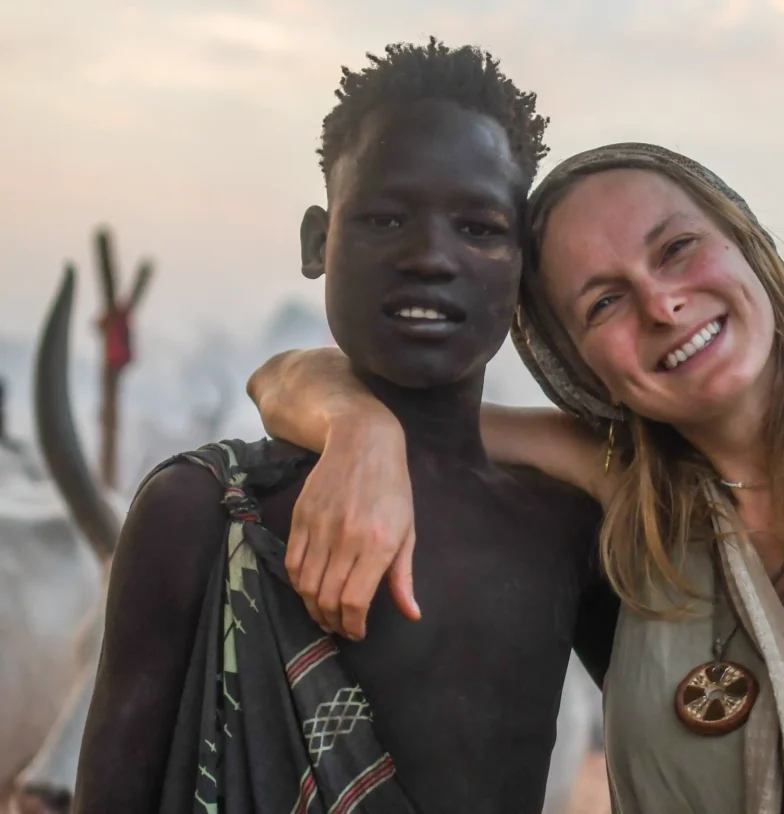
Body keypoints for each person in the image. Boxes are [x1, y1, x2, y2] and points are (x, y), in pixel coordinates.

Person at [247, 143, 784, 813]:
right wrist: (360, 431)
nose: (662, 303)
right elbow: (285, 378)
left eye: (677, 247)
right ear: (584, 372)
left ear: (748, 244)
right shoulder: (624, 499)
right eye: (605, 301)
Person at [73, 40, 617, 814]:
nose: (430, 257)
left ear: (524, 266)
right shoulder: (202, 511)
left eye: (479, 228)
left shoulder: (565, 525)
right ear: (315, 243)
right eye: (385, 219)